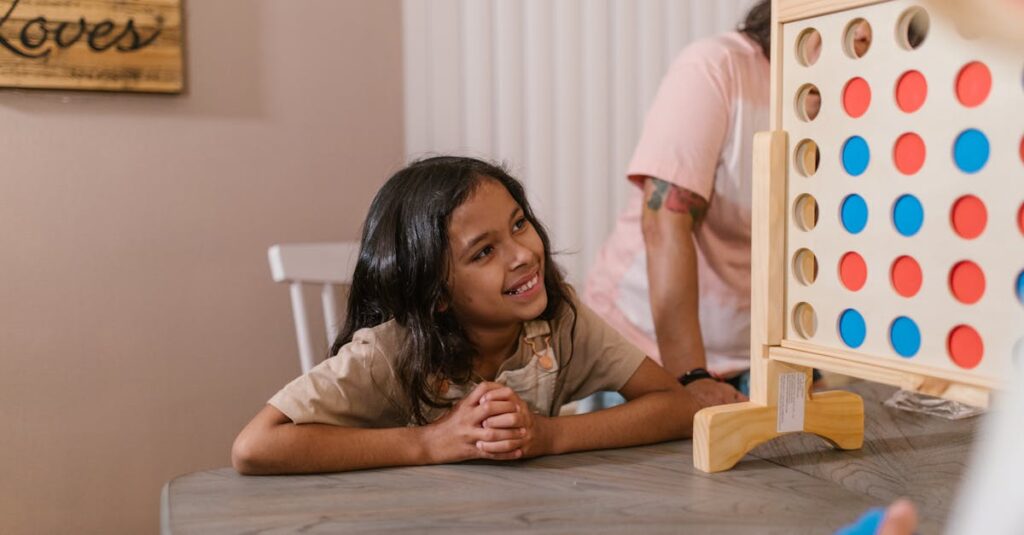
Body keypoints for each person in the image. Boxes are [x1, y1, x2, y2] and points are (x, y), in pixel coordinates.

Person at [232, 156, 699, 475]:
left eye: (519, 224)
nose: (521, 254)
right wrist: (431, 443)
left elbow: (678, 406)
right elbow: (255, 447)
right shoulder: (389, 352)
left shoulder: (558, 324)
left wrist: (549, 436)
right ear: (437, 295)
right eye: (484, 252)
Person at [584, 1, 776, 407]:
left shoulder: (856, 93)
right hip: (647, 355)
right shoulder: (717, 67)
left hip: (759, 352)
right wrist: (690, 377)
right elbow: (666, 224)